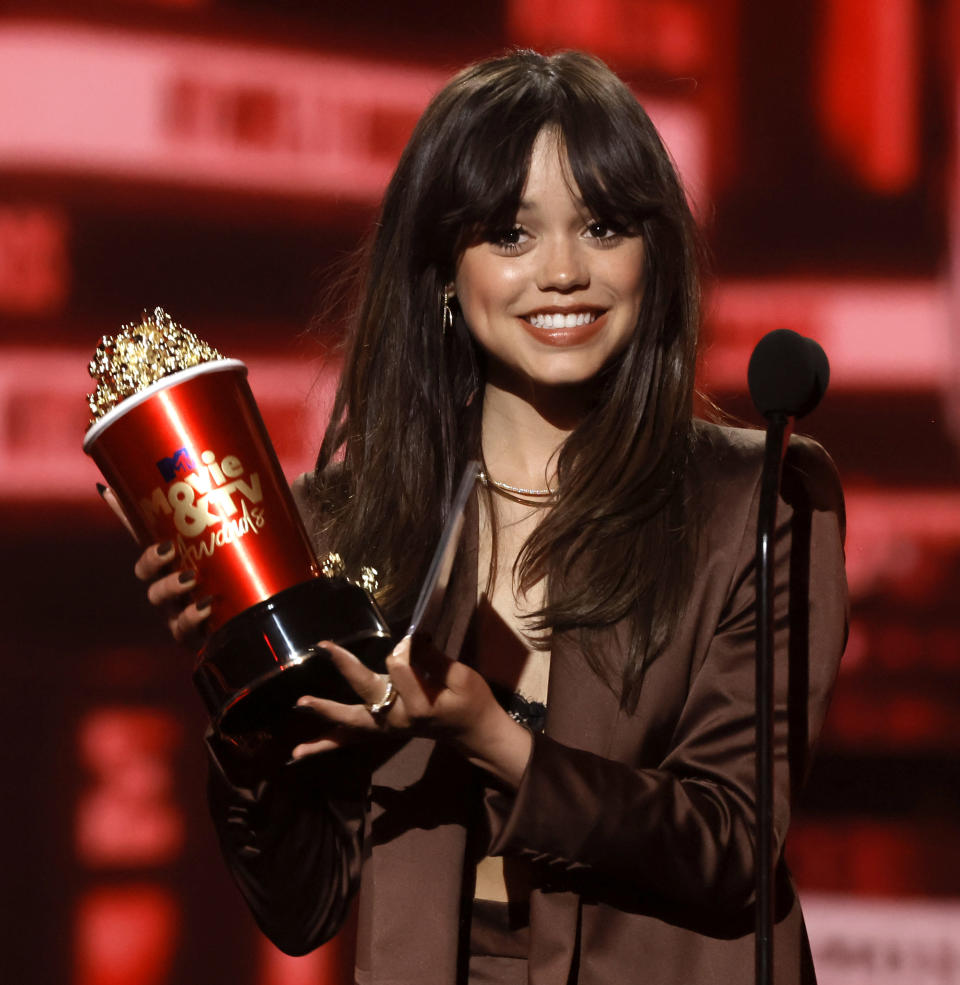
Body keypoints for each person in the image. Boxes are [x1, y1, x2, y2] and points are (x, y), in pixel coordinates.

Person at [129, 50, 847, 985]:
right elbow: (304, 908)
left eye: (602, 226)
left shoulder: (756, 499)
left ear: (653, 253)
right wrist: (242, 693)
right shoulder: (345, 521)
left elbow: (729, 841)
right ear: (442, 270)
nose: (562, 272)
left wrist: (495, 738)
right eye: (510, 235)